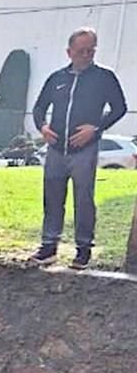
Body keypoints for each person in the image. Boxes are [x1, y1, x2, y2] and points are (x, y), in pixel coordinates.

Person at [29, 27, 127, 269]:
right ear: (69, 52)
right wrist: (42, 127)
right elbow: (39, 107)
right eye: (81, 51)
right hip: (55, 148)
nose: (86, 55)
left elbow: (119, 107)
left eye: (90, 50)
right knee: (52, 196)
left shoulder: (104, 77)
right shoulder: (57, 78)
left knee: (83, 199)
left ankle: (83, 249)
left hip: (84, 149)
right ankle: (49, 245)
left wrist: (96, 129)